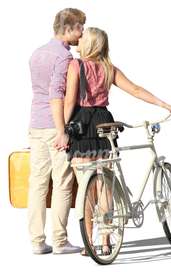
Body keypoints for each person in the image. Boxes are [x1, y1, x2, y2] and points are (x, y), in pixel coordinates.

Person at [64, 27, 171, 256]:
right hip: (104, 122)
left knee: (86, 190)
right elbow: (136, 90)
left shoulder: (75, 66)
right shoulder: (109, 68)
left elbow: (70, 101)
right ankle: (107, 241)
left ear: (88, 44)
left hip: (82, 124)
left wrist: (62, 129)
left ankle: (89, 243)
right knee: (105, 186)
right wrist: (166, 105)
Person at [28, 8, 86, 254]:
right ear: (69, 29)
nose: (82, 33)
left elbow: (39, 92)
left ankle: (37, 242)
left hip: (35, 124)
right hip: (55, 125)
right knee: (62, 182)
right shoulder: (64, 58)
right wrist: (62, 130)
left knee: (38, 184)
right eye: (80, 28)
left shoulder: (37, 52)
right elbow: (56, 94)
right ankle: (60, 241)